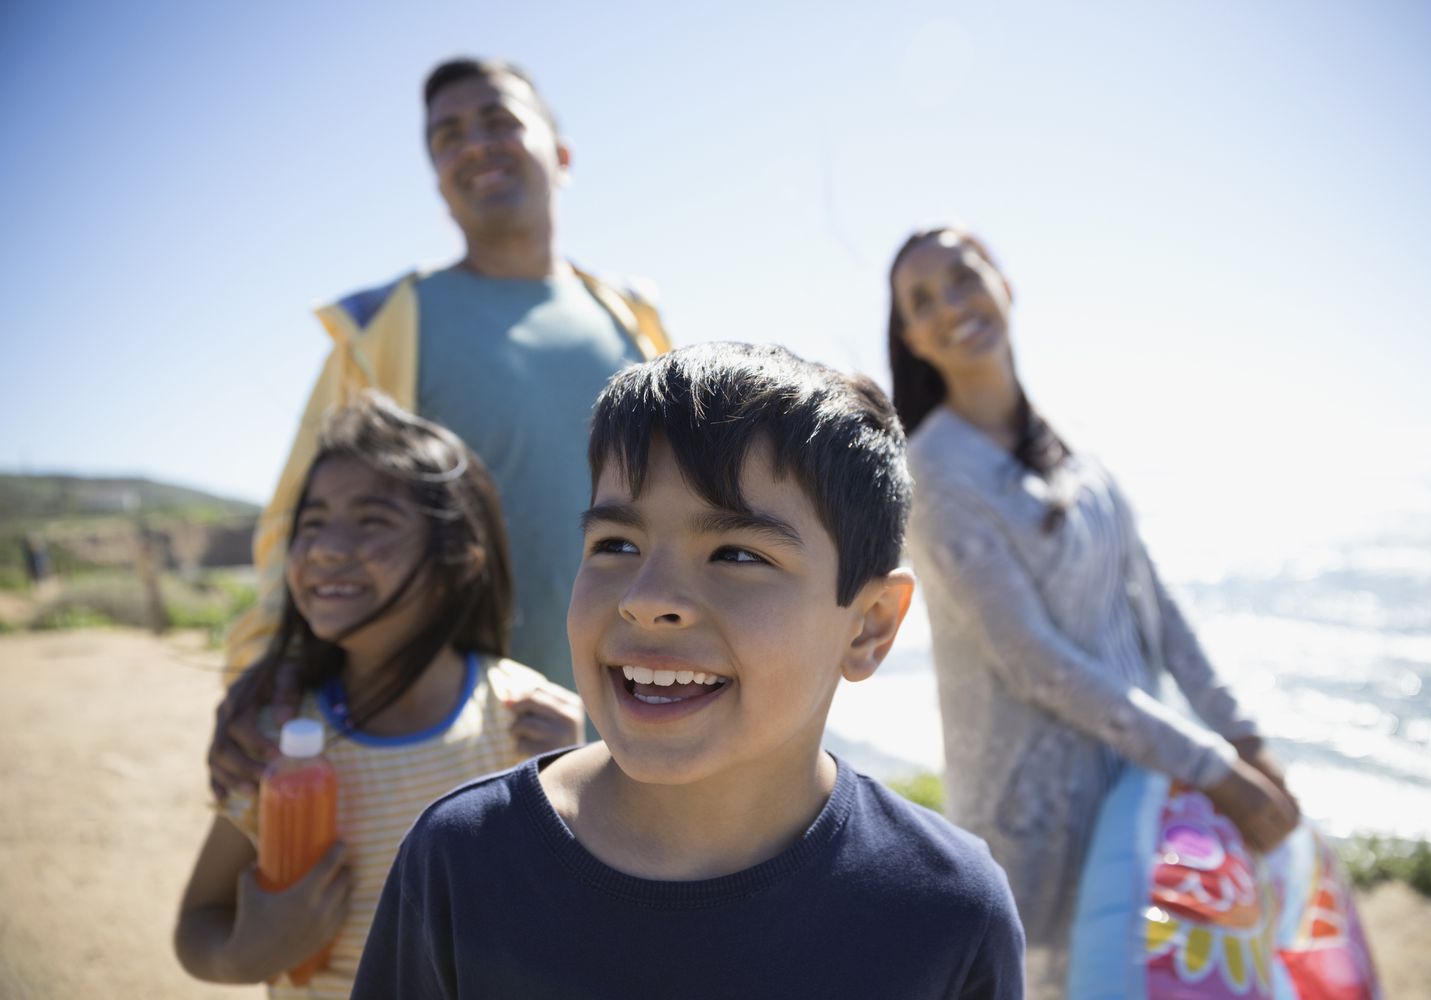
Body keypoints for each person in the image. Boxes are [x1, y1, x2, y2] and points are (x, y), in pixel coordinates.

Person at [348, 343, 1025, 999]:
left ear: (871, 623)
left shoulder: (947, 909)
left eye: (735, 554)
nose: (646, 599)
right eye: (615, 544)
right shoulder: (463, 862)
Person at [210, 56, 671, 797]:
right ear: (437, 179)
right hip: (447, 746)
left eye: (498, 121)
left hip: (635, 727)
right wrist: (273, 661)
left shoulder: (634, 324)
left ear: (560, 154)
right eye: (448, 136)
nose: (474, 144)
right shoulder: (388, 325)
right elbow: (303, 517)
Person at [887, 225, 1301, 996]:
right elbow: (1034, 662)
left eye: (963, 277)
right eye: (923, 300)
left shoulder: (1069, 442)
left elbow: (1153, 599)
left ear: (1004, 282)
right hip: (1037, 825)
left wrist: (1240, 734)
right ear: (912, 337)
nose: (951, 304)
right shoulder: (934, 472)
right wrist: (1215, 771)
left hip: (1139, 791)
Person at [175, 393, 584, 997]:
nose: (324, 548)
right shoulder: (275, 735)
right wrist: (244, 953)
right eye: (311, 523)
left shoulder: (529, 720)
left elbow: (573, 920)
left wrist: (567, 785)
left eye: (372, 522)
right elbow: (196, 925)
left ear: (460, 557)